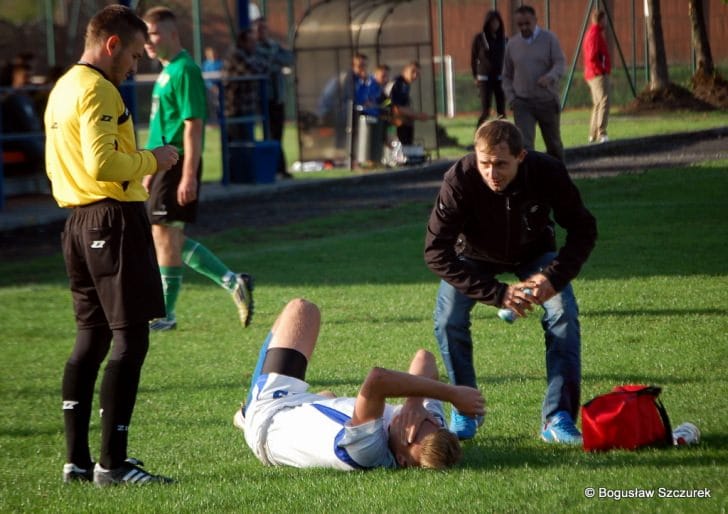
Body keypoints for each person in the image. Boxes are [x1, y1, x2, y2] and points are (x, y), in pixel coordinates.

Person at [44, 4, 177, 485]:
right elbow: (103, 165)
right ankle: (113, 464)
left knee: (92, 338)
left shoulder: (61, 88)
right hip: (111, 220)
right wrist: (153, 159)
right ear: (112, 45)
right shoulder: (98, 89)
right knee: (130, 338)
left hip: (75, 224)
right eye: (134, 55)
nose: (134, 66)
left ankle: (76, 462)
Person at [424, 120, 597, 444]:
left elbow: (584, 229)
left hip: (534, 255)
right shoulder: (459, 178)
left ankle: (557, 416)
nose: (492, 173)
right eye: (484, 164)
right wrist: (498, 294)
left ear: (521, 156)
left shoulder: (547, 172)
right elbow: (435, 252)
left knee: (563, 314)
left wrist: (552, 277)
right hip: (473, 256)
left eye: (501, 164)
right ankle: (466, 408)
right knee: (448, 319)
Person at [233, 298, 485, 469]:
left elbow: (376, 380)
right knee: (329, 399)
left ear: (402, 459)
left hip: (272, 415)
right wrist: (415, 403)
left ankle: (248, 413)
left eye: (409, 436)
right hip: (300, 409)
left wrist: (453, 394)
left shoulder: (367, 451)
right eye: (424, 422)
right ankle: (321, 399)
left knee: (301, 309)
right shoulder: (430, 428)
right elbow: (424, 357)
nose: (411, 423)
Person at [143, 7, 254, 332]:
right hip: (161, 164)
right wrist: (148, 168)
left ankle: (167, 314)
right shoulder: (166, 71)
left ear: (173, 34)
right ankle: (232, 282)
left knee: (164, 234)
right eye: (146, 35)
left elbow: (192, 126)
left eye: (154, 33)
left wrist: (189, 174)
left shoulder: (185, 70)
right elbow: (162, 125)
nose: (149, 41)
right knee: (165, 235)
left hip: (176, 163)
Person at [503, 5, 566, 162]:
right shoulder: (512, 44)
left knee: (554, 144)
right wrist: (512, 98)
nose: (524, 27)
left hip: (546, 100)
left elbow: (560, 63)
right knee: (524, 145)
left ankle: (559, 177)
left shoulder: (549, 39)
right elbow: (506, 75)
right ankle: (529, 179)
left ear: (535, 21)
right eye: (520, 24)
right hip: (523, 103)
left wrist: (550, 77)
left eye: (527, 23)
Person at [254, 17, 294, 178]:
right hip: (263, 98)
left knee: (277, 134)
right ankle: (272, 168)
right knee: (268, 134)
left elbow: (289, 59)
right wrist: (274, 62)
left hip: (278, 97)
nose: (262, 32)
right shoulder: (254, 48)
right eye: (259, 29)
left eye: (264, 28)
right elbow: (262, 65)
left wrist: (273, 62)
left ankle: (279, 168)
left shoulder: (273, 45)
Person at [223, 28, 268, 144]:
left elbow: (264, 66)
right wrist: (259, 64)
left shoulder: (250, 54)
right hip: (235, 108)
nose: (254, 45)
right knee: (237, 143)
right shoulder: (236, 55)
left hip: (246, 107)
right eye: (251, 42)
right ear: (243, 42)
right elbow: (253, 70)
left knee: (247, 142)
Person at [471, 10, 507, 126]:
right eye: (492, 22)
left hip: (500, 78)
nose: (494, 25)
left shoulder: (504, 39)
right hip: (484, 78)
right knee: (485, 110)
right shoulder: (479, 39)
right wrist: (475, 76)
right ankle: (478, 135)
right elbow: (473, 58)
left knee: (501, 110)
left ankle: (503, 135)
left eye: (496, 22)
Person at [583, 9, 611, 144]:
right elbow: (592, 56)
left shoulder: (593, 33)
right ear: (600, 20)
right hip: (597, 74)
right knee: (604, 100)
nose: (606, 22)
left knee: (597, 103)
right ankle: (601, 132)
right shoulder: (595, 35)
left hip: (592, 73)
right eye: (604, 20)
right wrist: (602, 70)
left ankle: (592, 134)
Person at [388, 61, 431, 146]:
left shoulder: (405, 84)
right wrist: (417, 115)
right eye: (413, 72)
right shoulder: (398, 83)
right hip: (390, 121)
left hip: (398, 120)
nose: (415, 76)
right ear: (405, 70)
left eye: (417, 74)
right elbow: (397, 107)